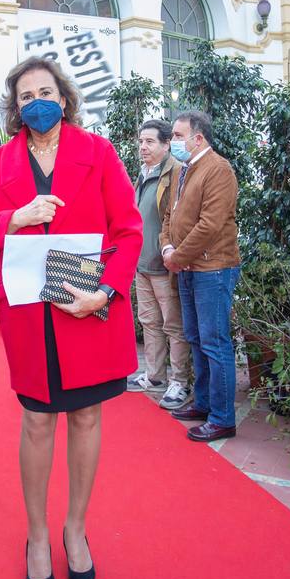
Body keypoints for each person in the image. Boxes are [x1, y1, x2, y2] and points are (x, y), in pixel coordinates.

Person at [0, 55, 142, 579]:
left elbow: (129, 230)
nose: (37, 101)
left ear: (63, 97)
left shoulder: (100, 152)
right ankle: (38, 535)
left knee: (88, 414)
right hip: (28, 309)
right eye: (24, 96)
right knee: (38, 419)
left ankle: (75, 527)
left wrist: (107, 292)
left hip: (84, 301)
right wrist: (12, 218)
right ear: (15, 110)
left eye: (45, 91)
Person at [160, 110, 242, 443]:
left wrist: (177, 257)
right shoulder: (185, 169)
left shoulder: (218, 170)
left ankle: (223, 419)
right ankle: (205, 402)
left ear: (198, 138)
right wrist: (166, 246)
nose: (173, 142)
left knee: (215, 343)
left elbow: (210, 225)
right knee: (195, 338)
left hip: (212, 268)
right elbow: (170, 214)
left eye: (178, 136)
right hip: (188, 267)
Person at [126, 119, 192, 410]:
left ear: (167, 145)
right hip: (142, 264)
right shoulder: (144, 173)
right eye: (141, 142)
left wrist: (172, 253)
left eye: (150, 142)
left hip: (165, 265)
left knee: (173, 326)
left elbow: (180, 219)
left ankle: (180, 381)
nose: (143, 147)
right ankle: (154, 376)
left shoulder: (176, 172)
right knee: (149, 323)